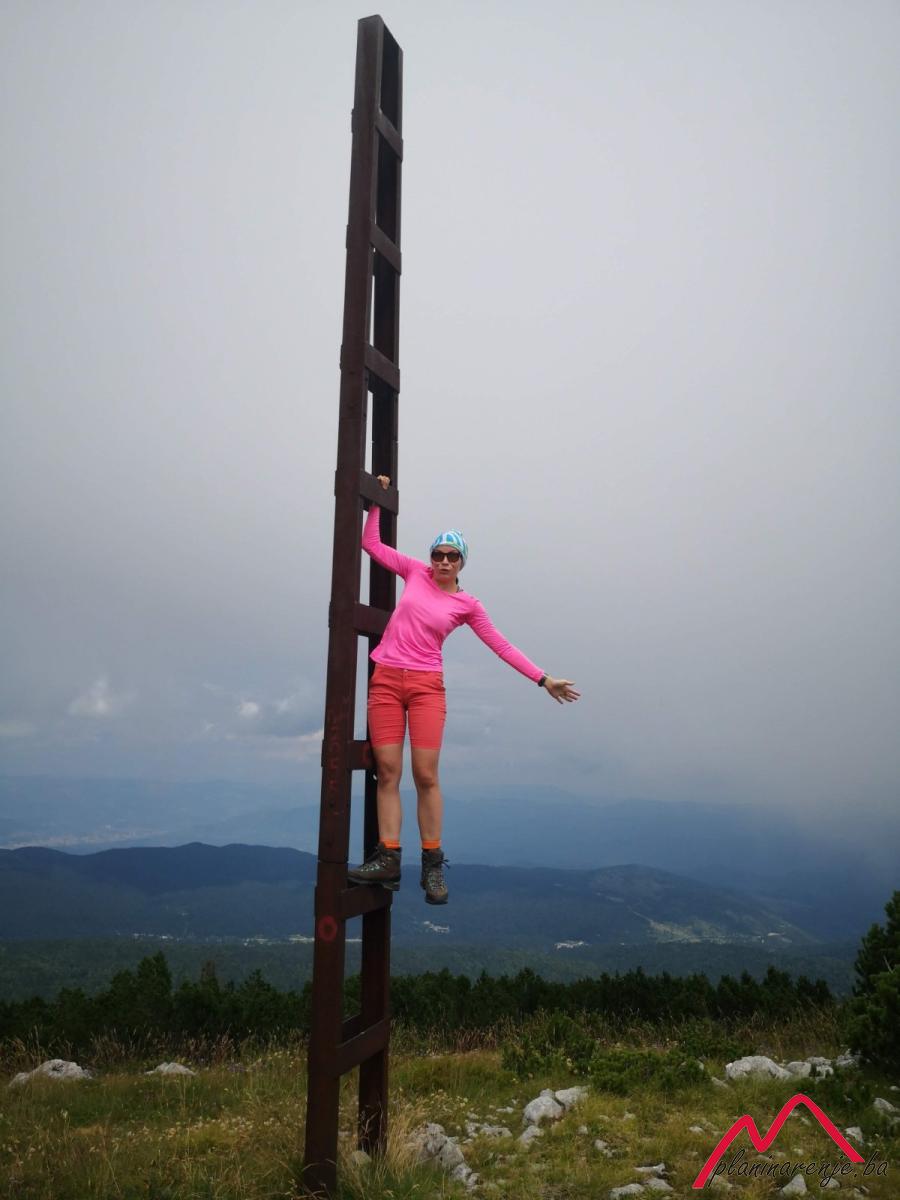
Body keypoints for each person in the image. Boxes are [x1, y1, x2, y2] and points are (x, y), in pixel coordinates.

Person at [348, 475, 580, 904]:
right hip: (386, 680)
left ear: (462, 562)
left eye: (452, 556)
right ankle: (388, 858)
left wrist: (543, 678)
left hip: (426, 688)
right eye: (437, 554)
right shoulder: (414, 572)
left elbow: (501, 646)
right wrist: (376, 502)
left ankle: (432, 865)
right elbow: (372, 545)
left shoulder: (467, 605)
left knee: (425, 774)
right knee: (388, 771)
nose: (443, 561)